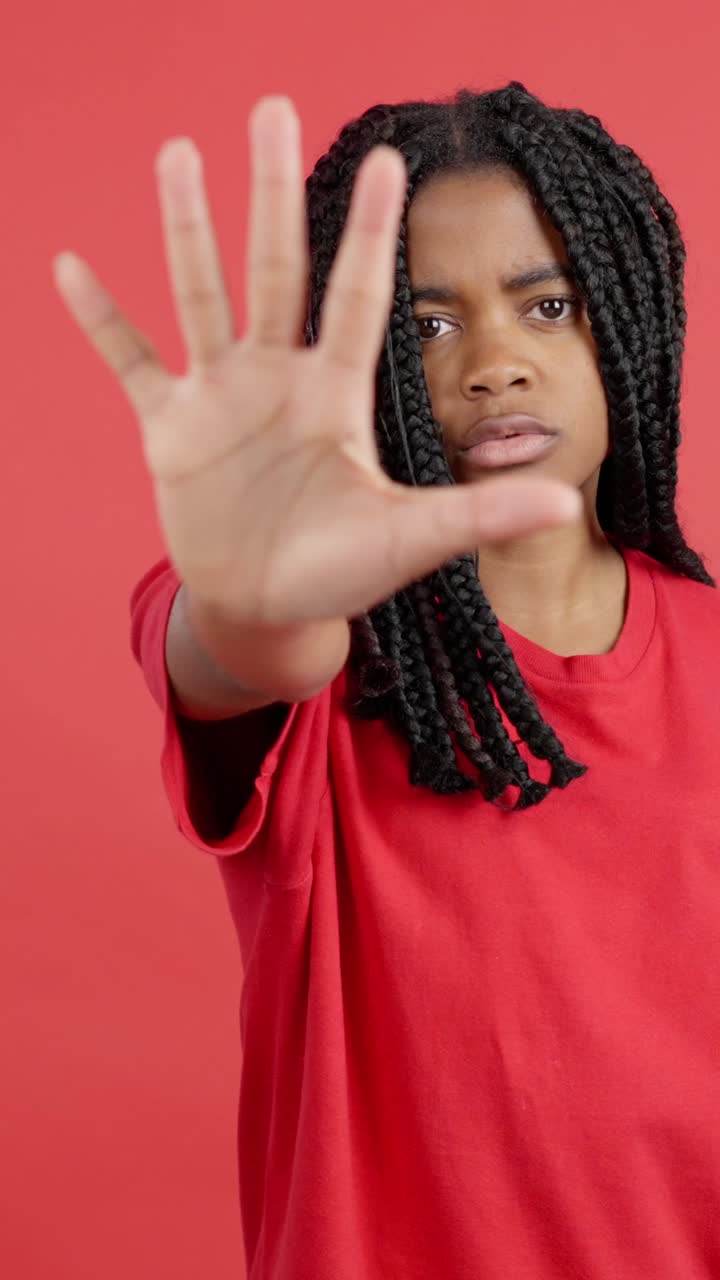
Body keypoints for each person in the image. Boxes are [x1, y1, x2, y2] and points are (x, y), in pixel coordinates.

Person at [53, 83, 720, 1279]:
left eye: (548, 304)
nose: (494, 362)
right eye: (425, 327)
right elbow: (249, 645)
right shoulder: (327, 654)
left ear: (631, 323)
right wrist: (257, 585)